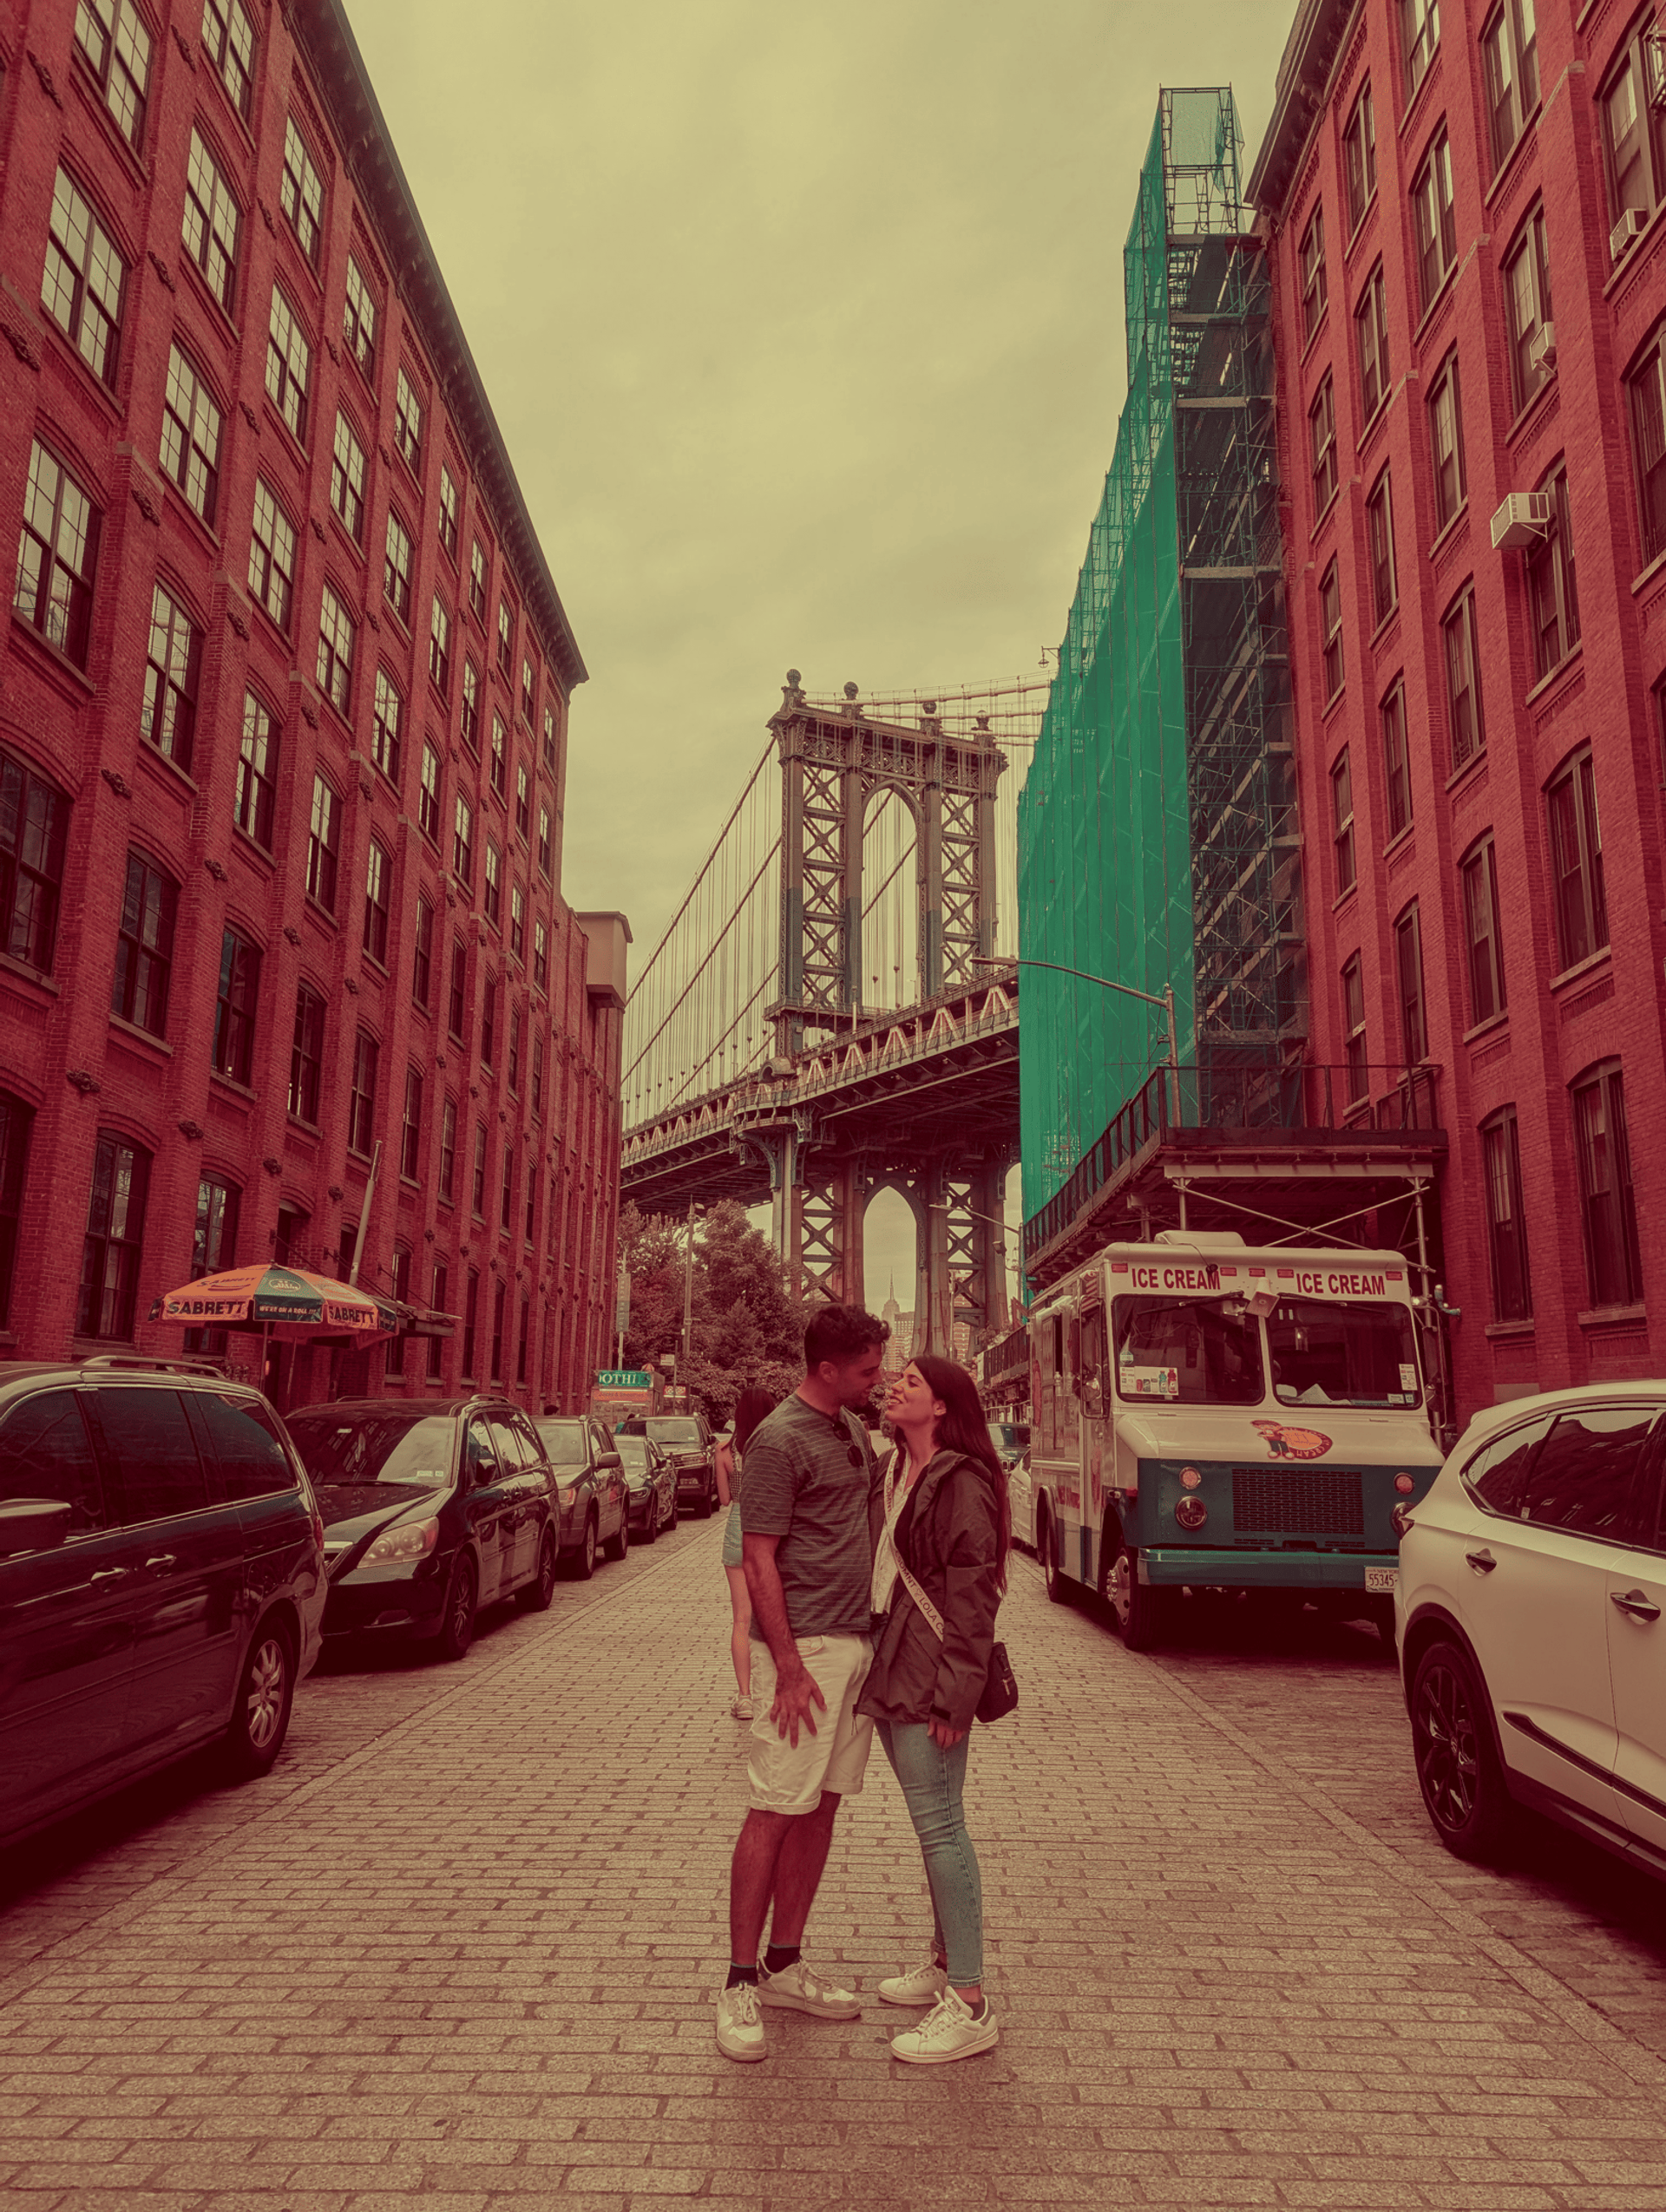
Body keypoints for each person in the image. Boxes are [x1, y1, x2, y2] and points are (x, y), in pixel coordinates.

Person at [715, 1303, 889, 2064]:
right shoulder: (779, 1440)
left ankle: (785, 1963)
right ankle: (738, 1983)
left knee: (819, 1807)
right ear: (827, 1369)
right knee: (772, 1809)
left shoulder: (849, 1428)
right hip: (808, 1654)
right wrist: (785, 1666)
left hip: (854, 1648)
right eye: (868, 1370)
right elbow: (758, 1561)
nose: (877, 1380)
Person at [858, 1353, 1008, 2065]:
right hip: (897, 1661)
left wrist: (956, 1696)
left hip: (931, 1675)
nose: (894, 1387)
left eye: (911, 1382)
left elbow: (976, 1595)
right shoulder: (897, 1470)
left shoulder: (963, 1482)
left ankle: (972, 2002)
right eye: (895, 1380)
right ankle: (946, 1965)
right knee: (931, 1827)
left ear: (943, 1405)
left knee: (942, 1827)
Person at [717, 1386, 777, 1721]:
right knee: (772, 1615)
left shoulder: (725, 1451)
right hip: (769, 1530)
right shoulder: (773, 1447)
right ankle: (773, 1689)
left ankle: (744, 1697)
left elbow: (724, 1500)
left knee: (741, 1619)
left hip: (737, 1530)